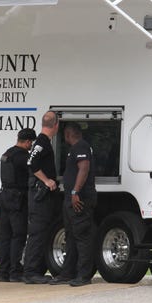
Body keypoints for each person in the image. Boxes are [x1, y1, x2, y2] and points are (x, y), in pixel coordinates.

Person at [49, 122, 97, 287]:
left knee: (82, 237)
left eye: (65, 135)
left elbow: (84, 168)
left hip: (80, 199)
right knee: (70, 236)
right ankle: (67, 273)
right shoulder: (76, 149)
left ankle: (84, 275)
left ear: (69, 134)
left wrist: (75, 192)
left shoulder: (81, 147)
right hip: (70, 199)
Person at [23, 111, 59, 284]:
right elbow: (32, 163)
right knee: (37, 232)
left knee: (39, 232)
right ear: (56, 125)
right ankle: (31, 272)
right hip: (39, 196)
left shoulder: (41, 142)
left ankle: (33, 270)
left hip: (38, 195)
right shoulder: (42, 142)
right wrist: (47, 181)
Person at [0, 128, 37, 282]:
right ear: (27, 141)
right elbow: (32, 174)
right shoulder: (23, 157)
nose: (31, 145)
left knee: (4, 236)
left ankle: (3, 272)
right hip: (17, 199)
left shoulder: (6, 153)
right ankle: (15, 272)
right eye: (31, 143)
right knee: (18, 235)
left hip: (4, 196)